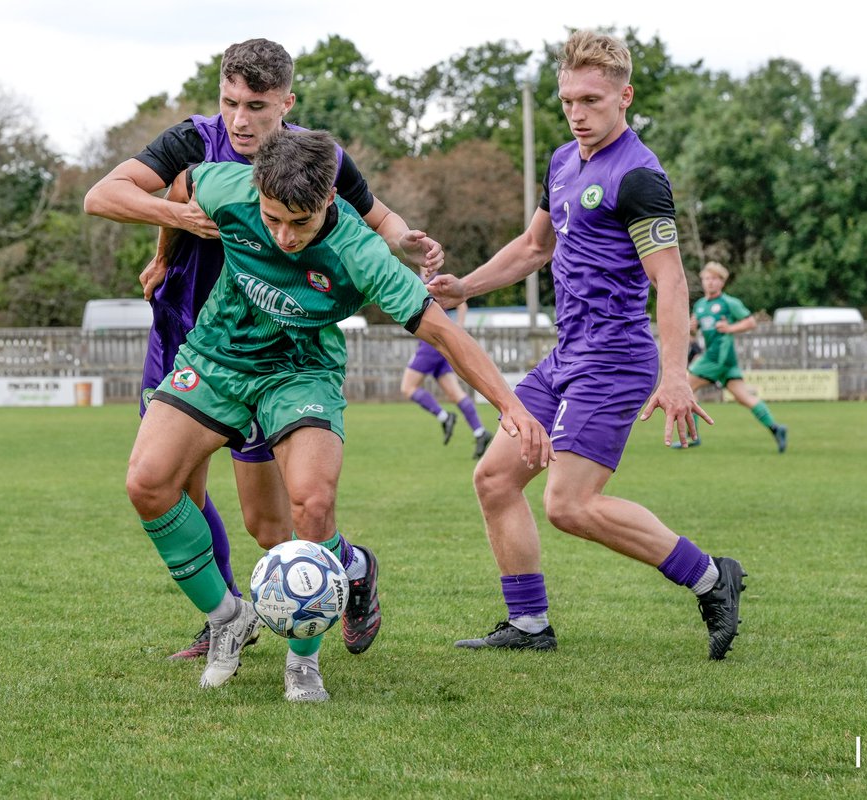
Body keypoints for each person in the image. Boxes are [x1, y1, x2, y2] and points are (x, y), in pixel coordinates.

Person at [129, 128, 551, 701]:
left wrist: (512, 407)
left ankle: (303, 662)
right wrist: (162, 254)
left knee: (312, 504)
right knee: (147, 483)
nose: (283, 236)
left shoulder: (361, 253)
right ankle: (229, 616)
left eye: (299, 223)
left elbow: (443, 332)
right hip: (216, 357)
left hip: (301, 373)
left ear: (330, 200)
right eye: (272, 218)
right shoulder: (226, 185)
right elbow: (179, 188)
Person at [84, 38, 443, 661]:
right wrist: (173, 238)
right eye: (230, 103)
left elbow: (376, 219)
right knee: (172, 487)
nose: (240, 120)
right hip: (185, 335)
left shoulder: (309, 160)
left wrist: (406, 242)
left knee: (268, 525)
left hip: (272, 354)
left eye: (256, 105)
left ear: (286, 103)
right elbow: (105, 196)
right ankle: (224, 617)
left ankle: (349, 566)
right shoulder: (193, 142)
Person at [426, 30, 746, 661]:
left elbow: (671, 279)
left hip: (618, 356)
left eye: (592, 101)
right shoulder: (563, 161)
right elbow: (533, 247)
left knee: (568, 505)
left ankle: (712, 576)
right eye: (568, 100)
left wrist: (675, 373)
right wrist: (466, 285)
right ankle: (529, 624)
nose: (577, 113)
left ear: (624, 97)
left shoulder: (640, 176)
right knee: (494, 479)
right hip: (566, 353)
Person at [678, 262, 788, 452]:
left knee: (686, 386)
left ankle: (692, 436)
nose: (710, 283)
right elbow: (696, 331)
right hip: (726, 360)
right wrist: (691, 328)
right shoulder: (701, 305)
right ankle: (776, 428)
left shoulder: (729, 303)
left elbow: (751, 322)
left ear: (722, 282)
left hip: (717, 357)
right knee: (744, 397)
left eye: (714, 279)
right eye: (706, 278)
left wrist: (730, 328)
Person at [401, 301, 493, 458]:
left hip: (430, 343)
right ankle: (480, 432)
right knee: (455, 393)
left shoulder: (433, 279)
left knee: (408, 388)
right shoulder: (427, 279)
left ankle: (444, 417)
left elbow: (462, 303)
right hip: (438, 342)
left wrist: (458, 328)